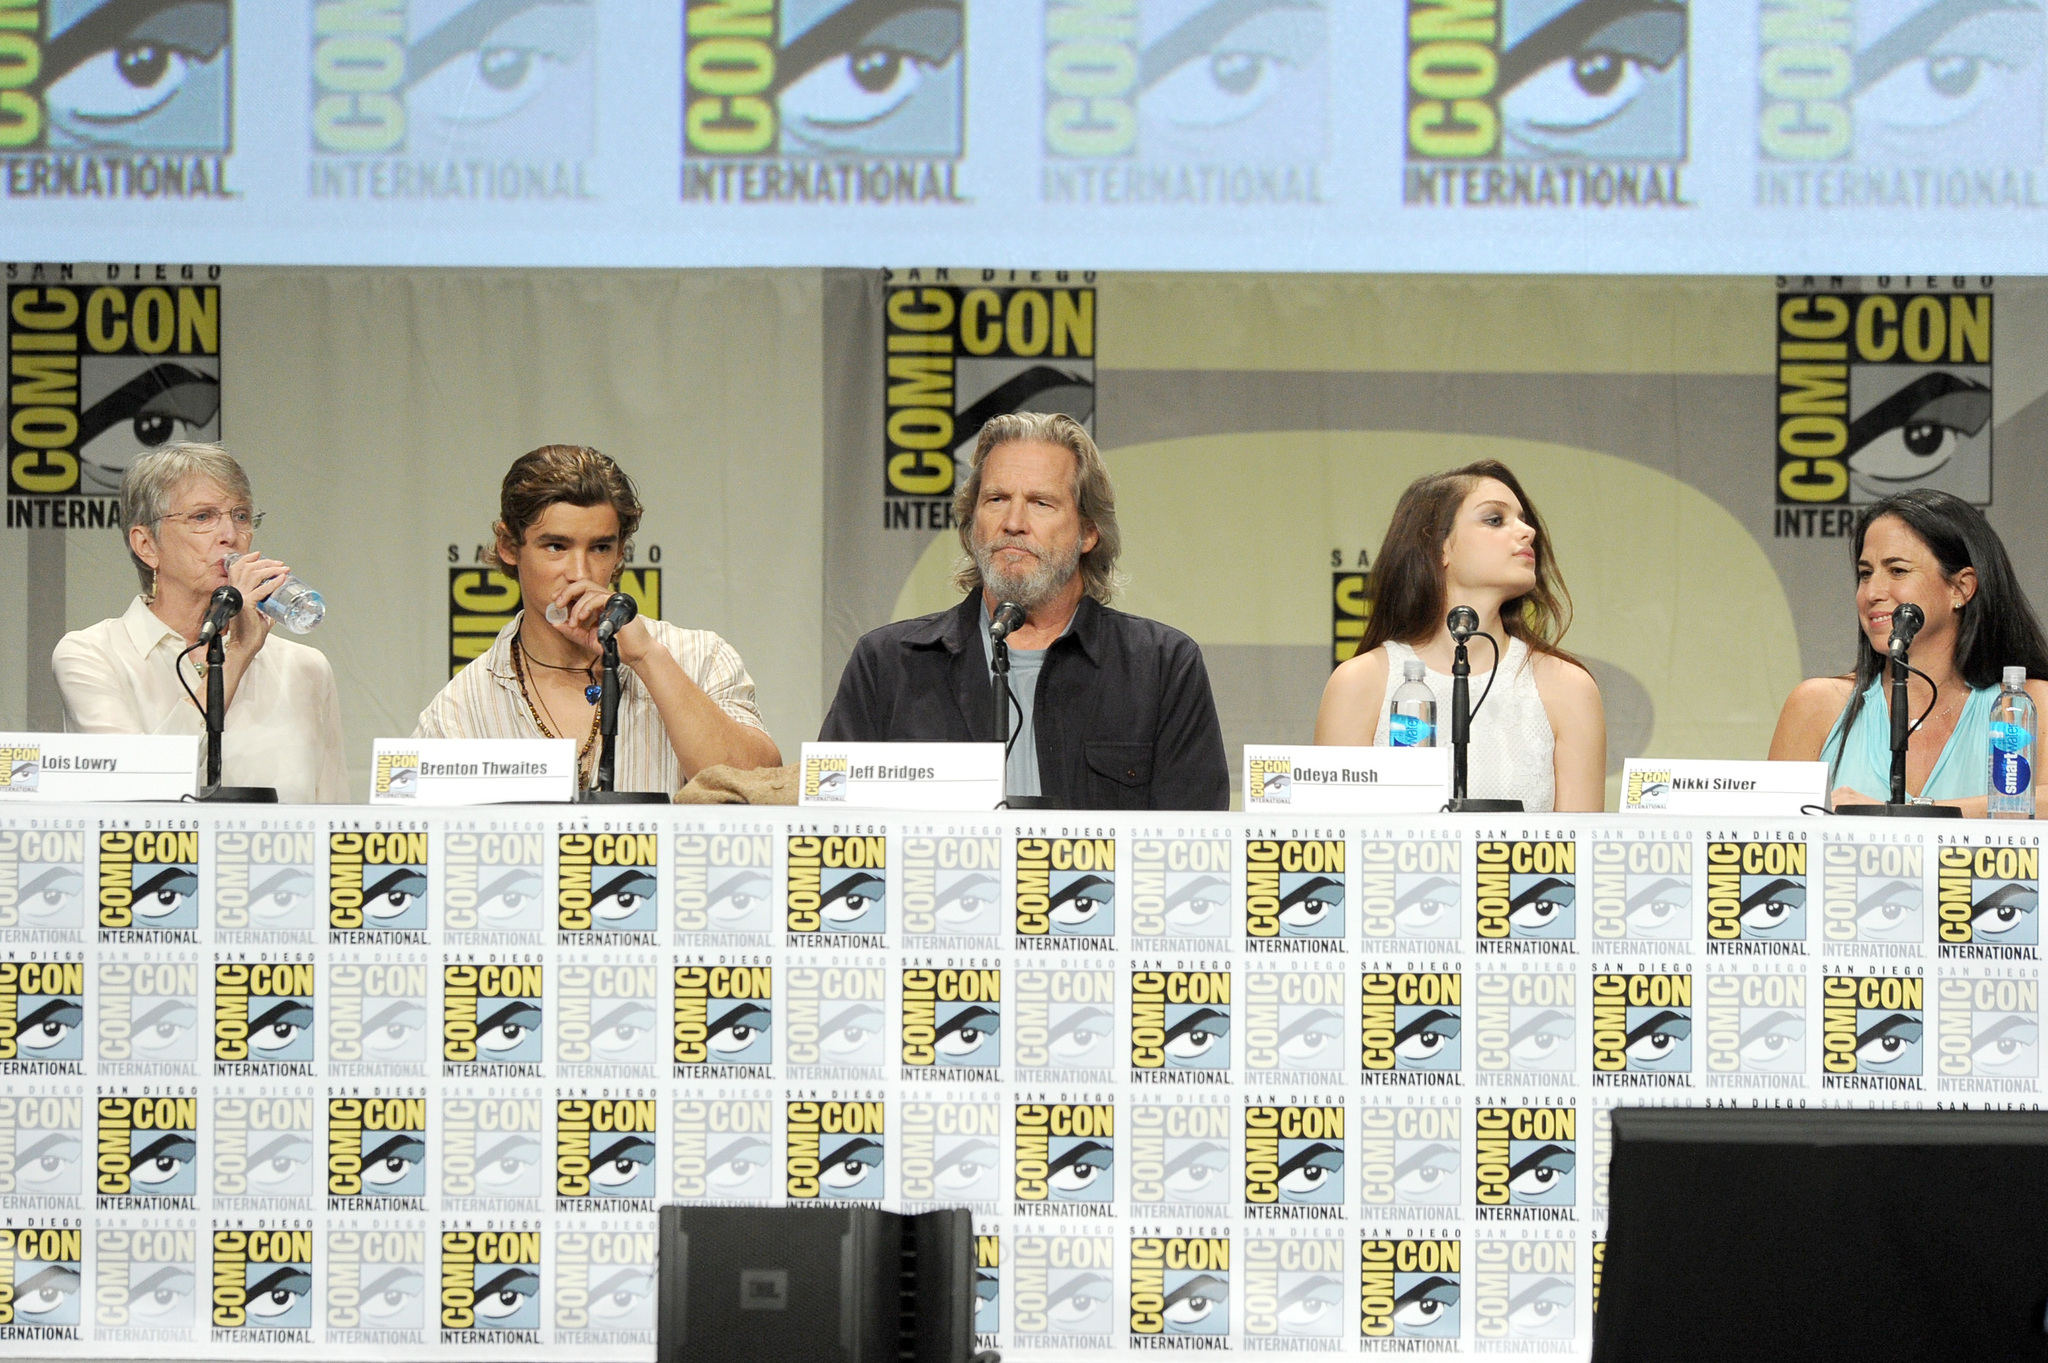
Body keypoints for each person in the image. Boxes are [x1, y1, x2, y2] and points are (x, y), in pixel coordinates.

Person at [821, 412, 1228, 810]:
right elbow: (830, 829)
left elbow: (1194, 851)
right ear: (971, 523)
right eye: (996, 499)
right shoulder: (888, 664)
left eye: (1040, 503)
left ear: (1088, 532)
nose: (1013, 522)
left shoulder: (1161, 668)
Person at [415, 444, 780, 794]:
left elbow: (761, 788)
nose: (580, 572)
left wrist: (647, 659)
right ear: (510, 547)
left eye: (600, 548)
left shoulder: (701, 659)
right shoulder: (460, 709)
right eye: (556, 546)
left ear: (621, 551)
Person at [51, 442, 347, 802]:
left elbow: (333, 822)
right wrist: (236, 655)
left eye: (240, 515)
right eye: (202, 517)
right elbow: (136, 793)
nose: (230, 535)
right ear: (146, 545)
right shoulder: (92, 656)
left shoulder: (304, 668)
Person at [1315, 460, 1606, 812]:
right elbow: (1334, 847)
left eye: (1523, 519)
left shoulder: (1569, 686)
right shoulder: (1361, 680)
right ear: (1440, 548)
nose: (1527, 531)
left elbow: (1576, 856)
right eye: (1495, 519)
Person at [1768, 489, 2048, 814]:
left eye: (1897, 571)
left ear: (1961, 588)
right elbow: (1769, 843)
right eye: (1865, 574)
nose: (1872, 592)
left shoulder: (2024, 705)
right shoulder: (1817, 706)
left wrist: (1902, 814)